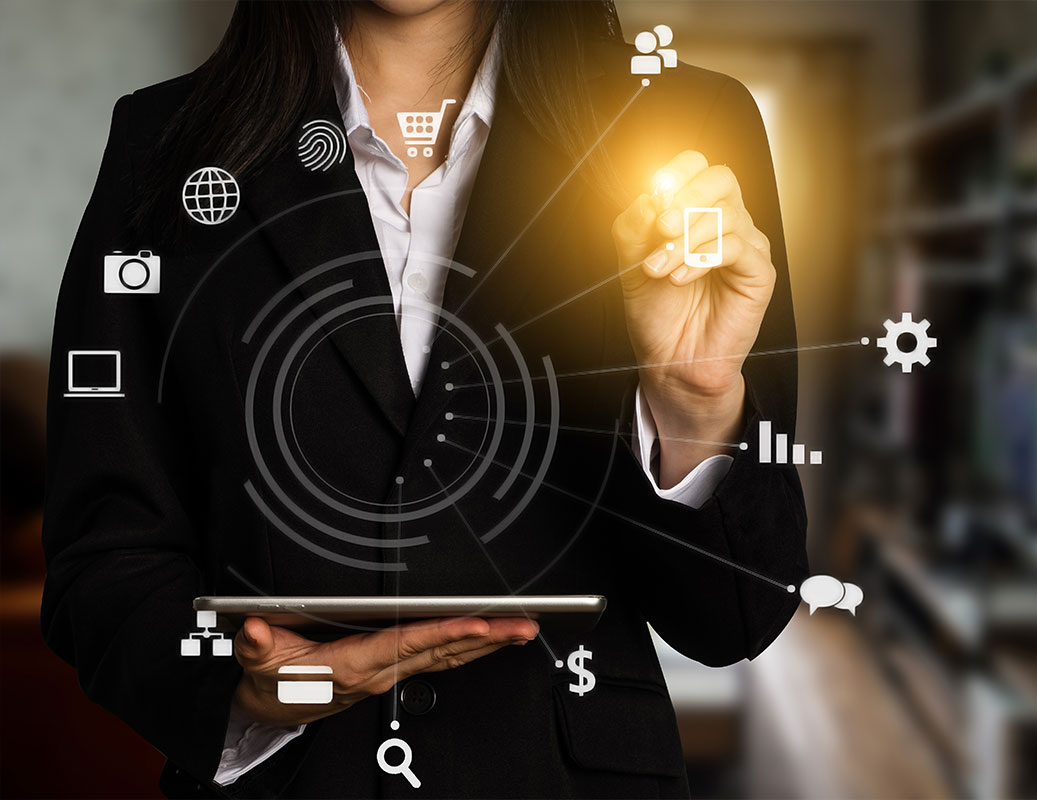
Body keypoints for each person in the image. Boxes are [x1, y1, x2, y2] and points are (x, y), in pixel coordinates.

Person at [41, 1, 808, 797]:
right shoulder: (164, 143)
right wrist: (253, 695)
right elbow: (105, 553)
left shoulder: (685, 128)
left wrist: (693, 400)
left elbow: (735, 616)